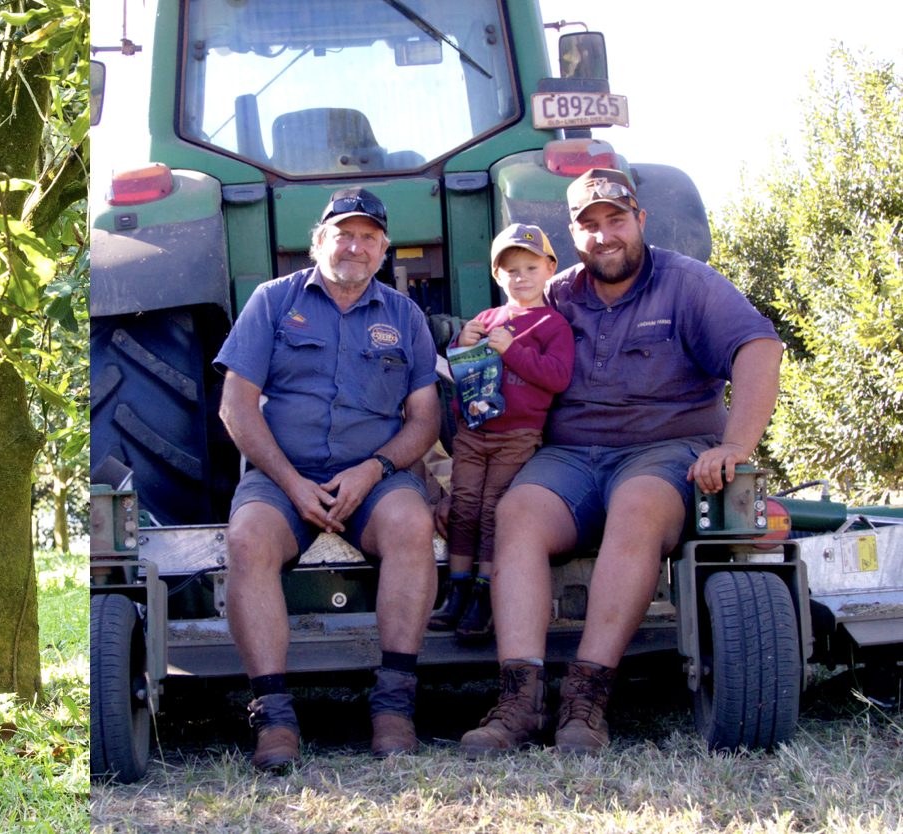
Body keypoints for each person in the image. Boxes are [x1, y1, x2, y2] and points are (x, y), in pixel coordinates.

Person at [460, 169, 783, 756]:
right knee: (519, 514)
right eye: (589, 226)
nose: (604, 236)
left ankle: (586, 700)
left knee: (637, 508)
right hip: (569, 455)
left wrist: (735, 446)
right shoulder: (553, 292)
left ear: (640, 220)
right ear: (573, 235)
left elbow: (758, 347)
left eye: (616, 219)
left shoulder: (689, 284)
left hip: (665, 450)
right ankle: (519, 702)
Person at [213, 187, 442, 771]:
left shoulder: (405, 315)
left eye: (369, 237)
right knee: (247, 540)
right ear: (318, 242)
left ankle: (394, 705)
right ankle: (274, 715)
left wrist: (375, 469)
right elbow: (236, 408)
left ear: (384, 250)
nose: (355, 247)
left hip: (375, 479)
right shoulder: (271, 301)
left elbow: (425, 419)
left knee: (413, 526)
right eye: (343, 233)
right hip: (282, 476)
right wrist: (291, 484)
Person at [430, 225, 573, 643]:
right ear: (497, 276)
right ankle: (456, 590)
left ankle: (485, 594)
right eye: (511, 270)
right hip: (473, 433)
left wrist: (513, 349)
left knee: (495, 508)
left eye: (531, 267)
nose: (521, 276)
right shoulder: (486, 319)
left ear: (550, 269)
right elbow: (462, 372)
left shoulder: (553, 325)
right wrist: (462, 341)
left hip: (518, 435)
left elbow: (558, 377)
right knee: (464, 505)